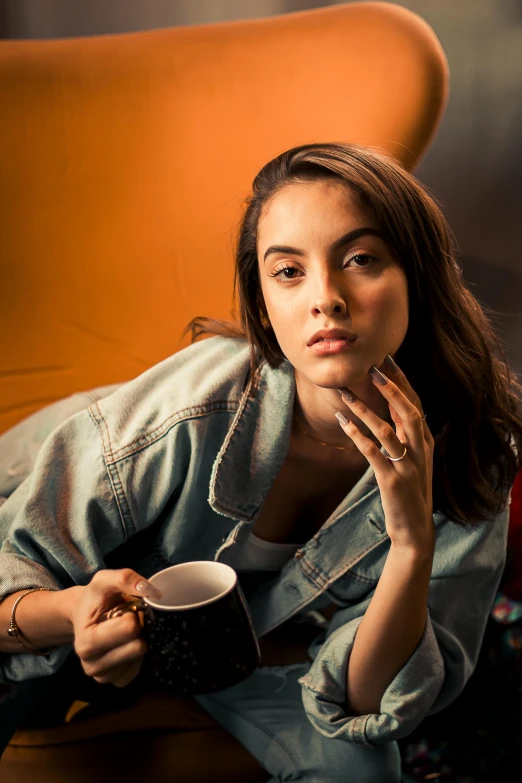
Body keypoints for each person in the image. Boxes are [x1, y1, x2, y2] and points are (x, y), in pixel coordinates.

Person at [1, 142, 521, 782]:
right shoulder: (187, 411)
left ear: (419, 276)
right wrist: (75, 613)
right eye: (289, 272)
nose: (326, 298)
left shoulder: (475, 455)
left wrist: (411, 541)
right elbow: (14, 577)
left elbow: (366, 703)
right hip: (48, 543)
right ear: (265, 305)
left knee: (362, 770)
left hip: (223, 651)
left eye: (360, 259)